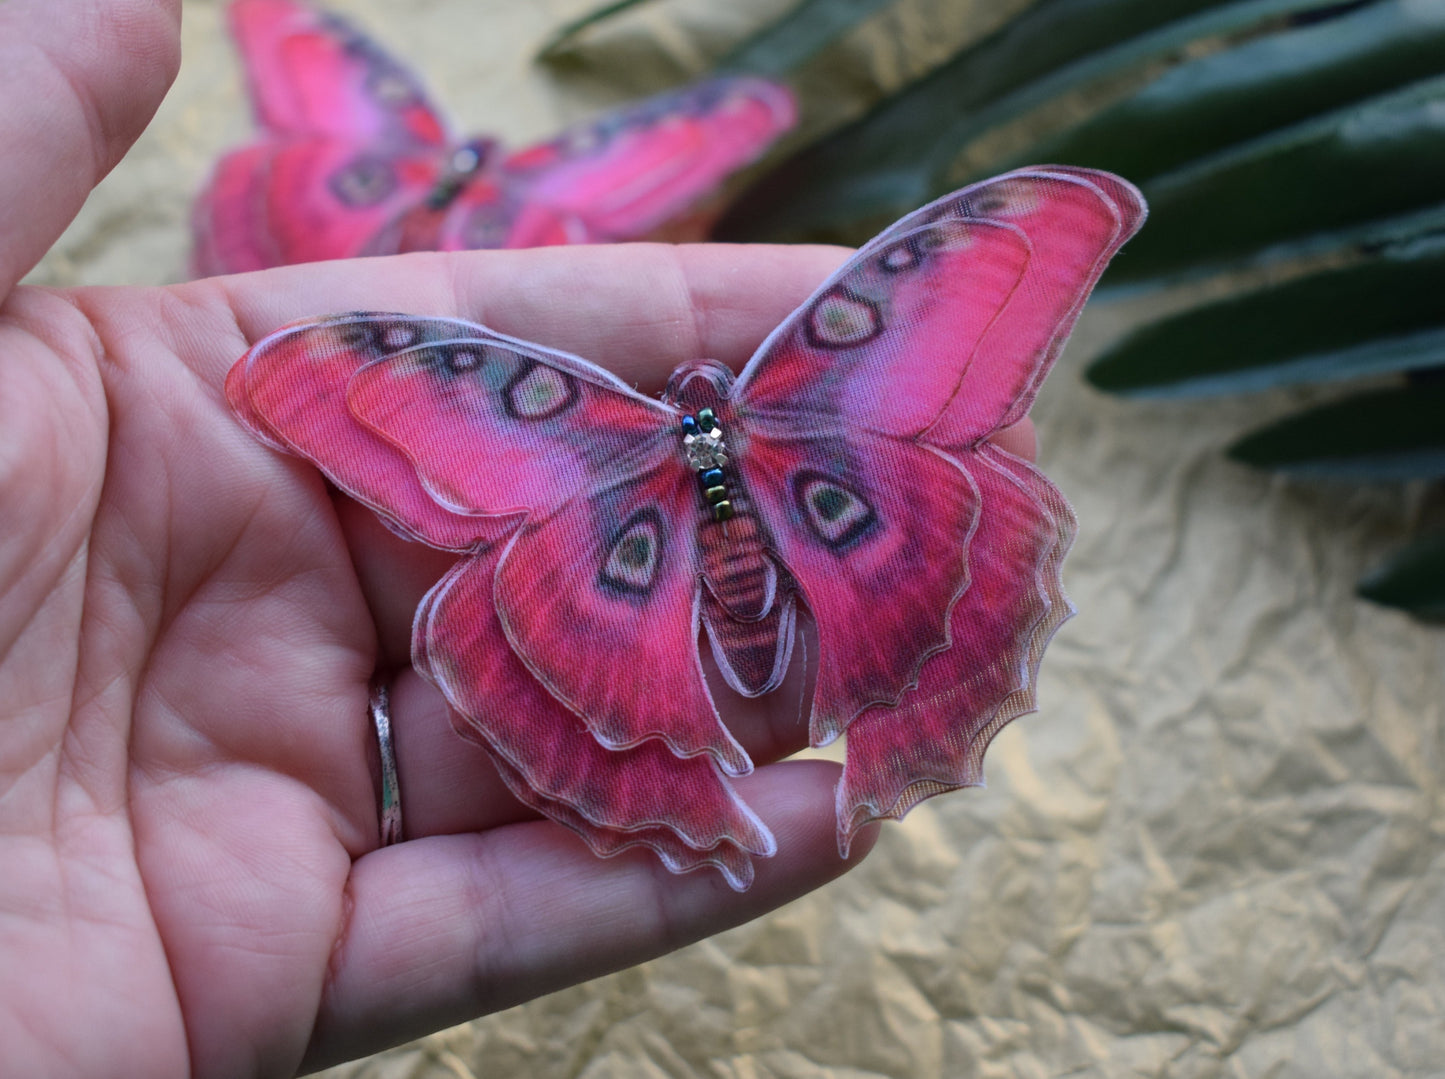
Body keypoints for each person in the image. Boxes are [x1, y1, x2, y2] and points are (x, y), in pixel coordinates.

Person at [0, 1, 1037, 1074]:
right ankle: (682, 774)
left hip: (626, 517)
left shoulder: (569, 406)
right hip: (753, 498)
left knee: (950, 530)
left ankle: (880, 728)